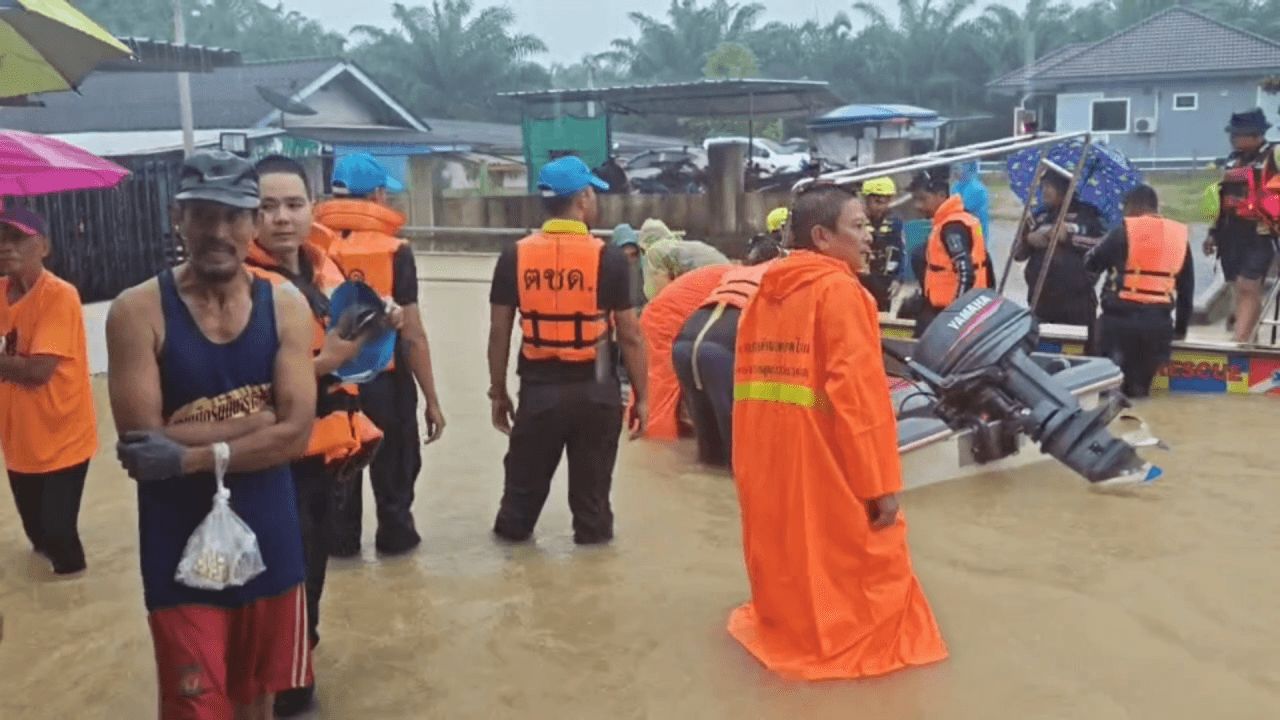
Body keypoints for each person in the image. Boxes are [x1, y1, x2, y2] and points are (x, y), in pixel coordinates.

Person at [108, 151, 315, 719]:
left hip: (272, 538)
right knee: (196, 706)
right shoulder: (137, 311)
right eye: (203, 215)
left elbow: (296, 436)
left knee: (258, 704)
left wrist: (193, 453)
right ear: (179, 217)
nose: (218, 233)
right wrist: (256, 422)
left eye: (232, 217)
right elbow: (144, 449)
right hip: (178, 553)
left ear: (253, 222)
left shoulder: (287, 306)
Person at [728, 185, 947, 680]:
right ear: (823, 237)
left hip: (766, 461)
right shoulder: (841, 292)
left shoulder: (763, 290)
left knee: (789, 558)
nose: (870, 237)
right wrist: (880, 486)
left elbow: (746, 387)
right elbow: (860, 400)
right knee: (869, 565)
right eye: (859, 227)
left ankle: (790, 631)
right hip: (825, 460)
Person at [245, 155, 386, 716]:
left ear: (313, 207)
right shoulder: (241, 287)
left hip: (324, 457)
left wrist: (381, 324)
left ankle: (297, 662)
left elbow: (348, 341)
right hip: (273, 461)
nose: (282, 218)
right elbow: (239, 387)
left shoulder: (320, 266)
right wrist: (327, 362)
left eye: (294, 204)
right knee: (284, 578)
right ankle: (286, 687)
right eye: (266, 207)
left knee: (312, 574)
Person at [486, 156, 648, 545]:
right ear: (584, 197)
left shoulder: (515, 255)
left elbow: (499, 332)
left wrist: (498, 392)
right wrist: (643, 395)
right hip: (597, 390)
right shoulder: (608, 258)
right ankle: (596, 590)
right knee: (592, 511)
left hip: (539, 391)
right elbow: (630, 336)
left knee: (517, 510)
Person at [315, 153, 445, 557]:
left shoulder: (308, 248)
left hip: (328, 384)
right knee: (396, 491)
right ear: (376, 194)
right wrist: (432, 401)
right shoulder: (395, 251)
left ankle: (343, 558)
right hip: (386, 385)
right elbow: (413, 334)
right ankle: (397, 548)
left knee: (335, 496)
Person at [0, 207, 96, 576]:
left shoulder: (59, 295)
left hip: (62, 439)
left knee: (60, 541)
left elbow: (38, 372)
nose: (7, 247)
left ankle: (79, 624)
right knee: (37, 538)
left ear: (43, 246)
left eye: (17, 238)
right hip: (18, 440)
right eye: (1, 239)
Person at [671, 235, 782, 466]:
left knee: (708, 447)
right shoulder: (778, 274)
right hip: (721, 349)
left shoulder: (733, 273)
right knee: (737, 448)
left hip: (683, 343)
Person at [1086, 185, 1193, 398]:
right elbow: (1186, 290)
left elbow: (1091, 263)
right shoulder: (1178, 237)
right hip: (1157, 326)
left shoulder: (1122, 232)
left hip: (1118, 323)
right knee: (1139, 392)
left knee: (1107, 389)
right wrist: (1180, 329)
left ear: (1132, 205)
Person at [1205, 109, 1277, 342]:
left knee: (1248, 284)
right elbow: (1220, 197)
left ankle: (1241, 339)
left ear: (1255, 135)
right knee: (1238, 286)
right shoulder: (1232, 160)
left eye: (1238, 134)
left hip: (1260, 232)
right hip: (1231, 233)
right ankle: (1249, 333)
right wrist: (1212, 234)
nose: (1233, 139)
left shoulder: (1273, 155)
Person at [637, 263, 732, 440]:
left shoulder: (729, 272)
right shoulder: (749, 281)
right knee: (659, 400)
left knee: (655, 393)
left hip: (670, 319)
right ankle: (658, 451)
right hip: (664, 323)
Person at [1013, 171, 1106, 345]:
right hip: (1041, 304)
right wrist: (1028, 239)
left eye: (1050, 186)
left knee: (1077, 357)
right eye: (1043, 186)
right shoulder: (1038, 216)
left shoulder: (1088, 216)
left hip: (1076, 306)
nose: (1044, 191)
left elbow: (1101, 246)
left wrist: (1069, 237)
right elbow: (1017, 254)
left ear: (1064, 189)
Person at [911, 172, 991, 337]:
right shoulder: (957, 220)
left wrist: (956, 315)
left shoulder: (952, 227)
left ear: (941, 196)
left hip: (952, 312)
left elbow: (966, 272)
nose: (918, 206)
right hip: (948, 306)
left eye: (922, 199)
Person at [636, 218, 728, 299]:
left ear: (644, 246)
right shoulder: (684, 249)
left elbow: (661, 297)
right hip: (732, 282)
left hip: (712, 286)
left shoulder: (655, 250)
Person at [859, 176, 905, 312]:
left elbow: (901, 252)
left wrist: (899, 279)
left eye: (886, 202)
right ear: (866, 199)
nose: (881, 207)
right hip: (859, 278)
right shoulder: (856, 220)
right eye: (877, 201)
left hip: (884, 281)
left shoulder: (895, 223)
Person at [952, 160, 991, 242]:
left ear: (966, 168)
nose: (954, 172)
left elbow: (963, 208)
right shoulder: (956, 186)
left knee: (978, 244)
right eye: (953, 169)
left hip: (977, 226)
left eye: (957, 169)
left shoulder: (976, 188)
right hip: (962, 227)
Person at [612, 223, 647, 309]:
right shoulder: (607, 276)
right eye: (624, 256)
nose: (629, 260)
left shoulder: (647, 275)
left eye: (633, 255)